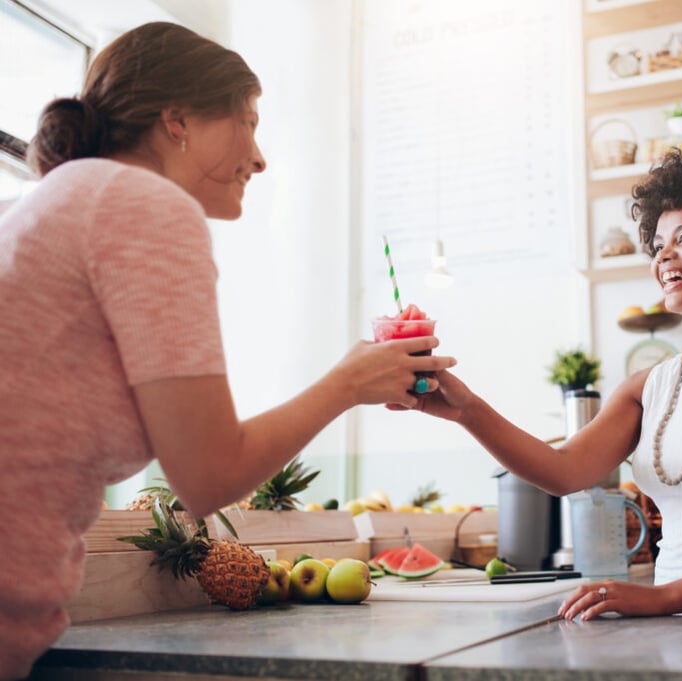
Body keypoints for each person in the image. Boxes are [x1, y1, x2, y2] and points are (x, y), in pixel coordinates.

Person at [0, 22, 454, 679]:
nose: (261, 157)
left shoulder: (57, 201)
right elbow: (209, 474)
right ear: (177, 119)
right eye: (248, 120)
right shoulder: (143, 203)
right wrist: (349, 383)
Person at [413, 139, 682, 620]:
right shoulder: (649, 386)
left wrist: (666, 596)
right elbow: (562, 472)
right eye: (658, 245)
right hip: (664, 635)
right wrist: (466, 411)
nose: (664, 256)